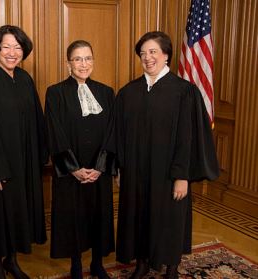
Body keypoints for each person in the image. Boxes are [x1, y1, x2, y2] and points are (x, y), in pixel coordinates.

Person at [114, 31, 219, 279]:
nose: (148, 58)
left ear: (166, 55)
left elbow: (187, 138)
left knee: (171, 219)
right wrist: (120, 168)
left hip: (170, 173)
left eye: (153, 52)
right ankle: (141, 263)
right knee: (138, 215)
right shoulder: (128, 93)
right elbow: (118, 135)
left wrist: (182, 175)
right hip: (137, 172)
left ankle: (171, 267)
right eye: (143, 53)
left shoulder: (184, 92)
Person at [0, 25, 47, 279]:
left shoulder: (24, 78)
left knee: (17, 212)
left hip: (23, 160)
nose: (13, 52)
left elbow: (37, 119)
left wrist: (39, 156)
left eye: (18, 47)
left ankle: (12, 260)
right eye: (7, 47)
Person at [45, 40, 116, 279]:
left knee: (99, 216)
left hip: (99, 170)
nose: (83, 64)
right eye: (77, 59)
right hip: (71, 172)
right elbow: (55, 132)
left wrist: (101, 167)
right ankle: (76, 264)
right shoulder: (55, 93)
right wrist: (73, 168)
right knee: (73, 217)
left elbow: (112, 133)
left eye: (87, 58)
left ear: (93, 61)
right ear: (68, 63)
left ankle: (97, 263)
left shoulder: (106, 93)